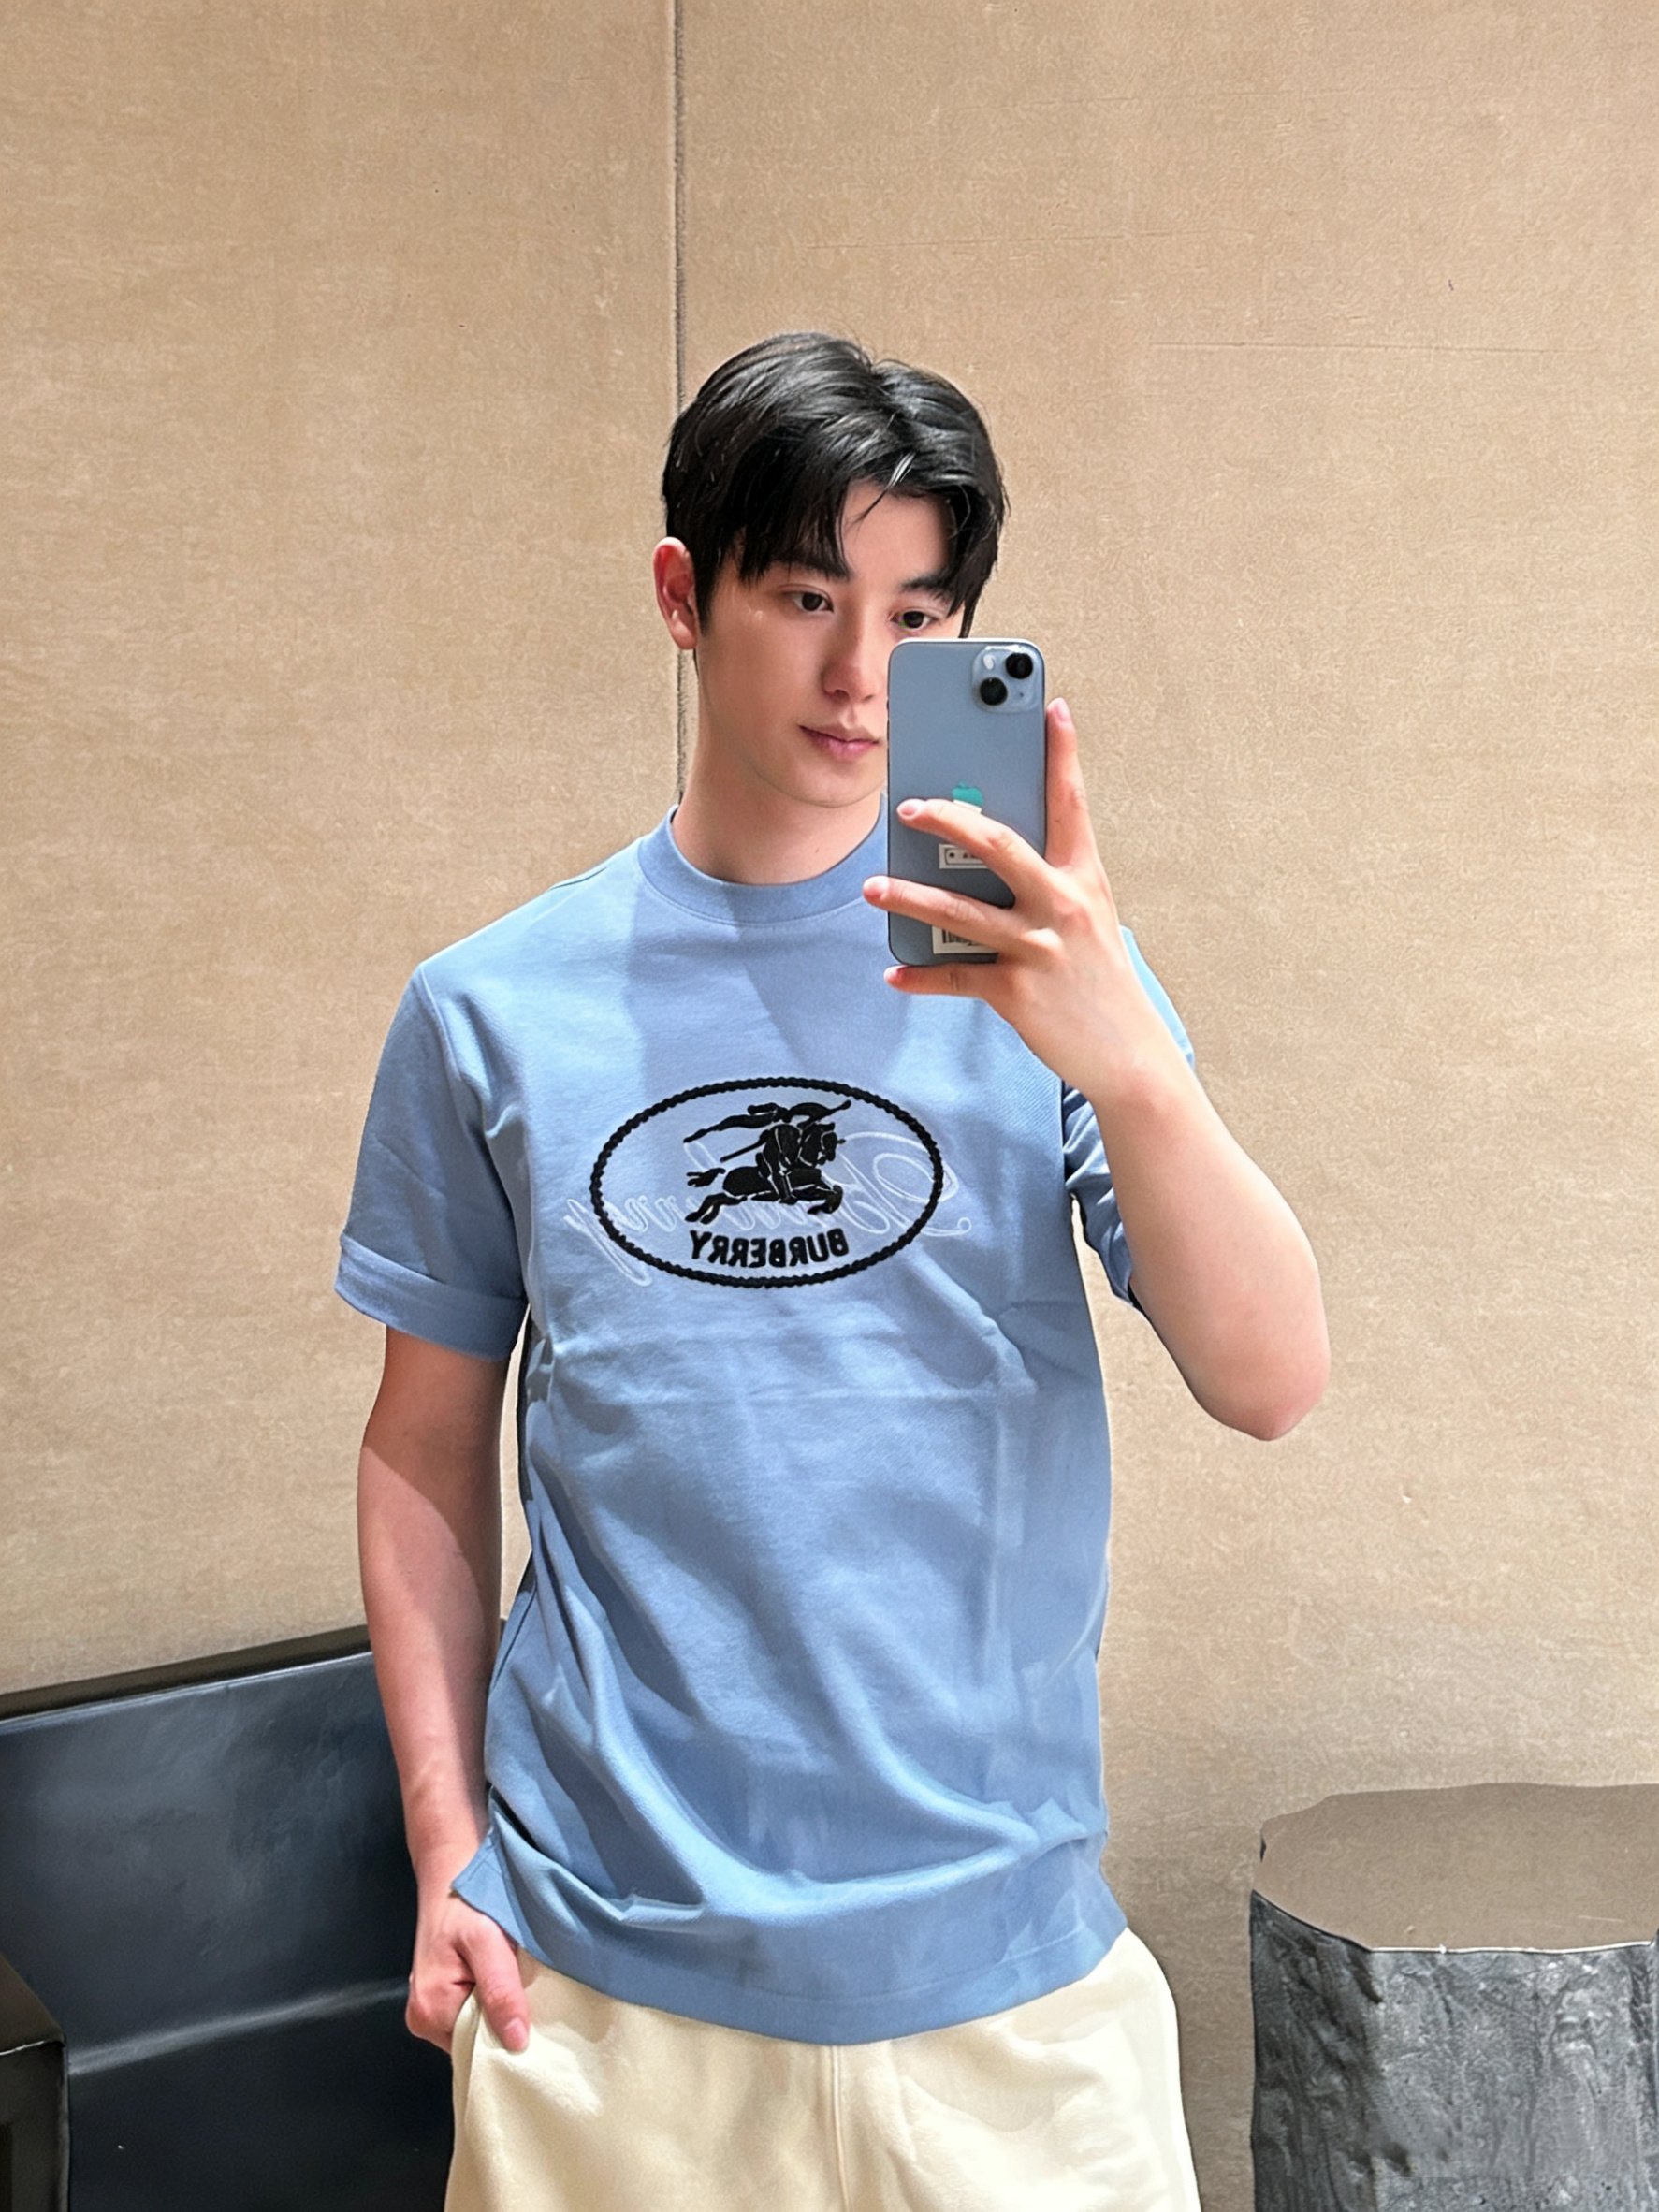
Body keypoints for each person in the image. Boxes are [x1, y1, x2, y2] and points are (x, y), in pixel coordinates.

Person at [335, 328, 1330, 2212]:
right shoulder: (488, 1010)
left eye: (915, 612)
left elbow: (1270, 1379)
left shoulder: (1041, 980)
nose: (861, 672)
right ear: (681, 597)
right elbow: (422, 1450)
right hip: (602, 2003)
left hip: (1006, 1994)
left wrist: (1125, 1058)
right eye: (804, 597)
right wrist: (446, 1842)